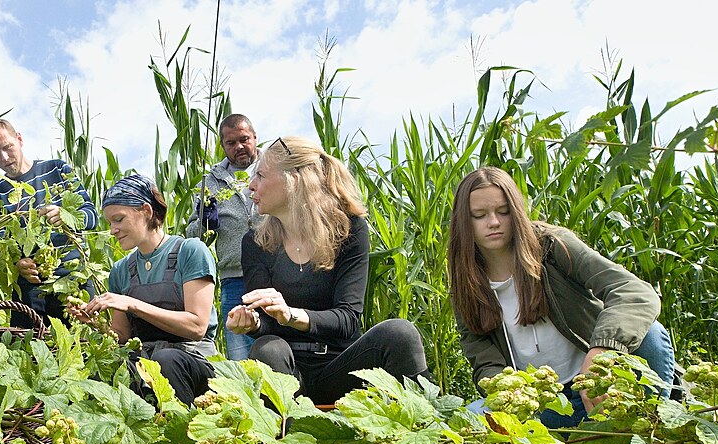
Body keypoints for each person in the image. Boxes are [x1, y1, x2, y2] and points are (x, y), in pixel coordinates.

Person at [448, 166, 675, 427]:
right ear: (465, 222)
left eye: (503, 211)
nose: (494, 222)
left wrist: (603, 351)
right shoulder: (466, 283)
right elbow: (485, 361)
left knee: (652, 336)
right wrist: (511, 392)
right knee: (472, 417)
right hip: (544, 405)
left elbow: (635, 292)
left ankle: (652, 426)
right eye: (480, 215)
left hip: (599, 387)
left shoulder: (552, 247)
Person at [227, 136, 429, 405]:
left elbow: (347, 319)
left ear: (293, 180)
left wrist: (291, 315)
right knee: (268, 348)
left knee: (399, 333)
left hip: (343, 367)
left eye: (261, 176)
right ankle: (280, 442)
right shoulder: (254, 243)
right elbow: (266, 324)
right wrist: (251, 323)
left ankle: (424, 426)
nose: (251, 185)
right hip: (286, 372)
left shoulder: (349, 230)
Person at [77, 174, 217, 405]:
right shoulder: (121, 270)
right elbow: (122, 338)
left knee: (165, 360)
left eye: (119, 219)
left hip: (194, 359)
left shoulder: (190, 251)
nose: (112, 230)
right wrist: (93, 322)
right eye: (109, 223)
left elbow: (196, 326)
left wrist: (133, 304)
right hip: (145, 362)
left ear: (146, 211)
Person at [0, 118, 98, 327]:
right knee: (29, 352)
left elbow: (91, 216)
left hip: (73, 283)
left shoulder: (58, 170)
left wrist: (66, 216)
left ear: (19, 139)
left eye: (7, 147)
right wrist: (17, 264)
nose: (4, 157)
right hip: (30, 292)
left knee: (82, 347)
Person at [185, 114, 263, 360]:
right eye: (231, 143)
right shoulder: (210, 181)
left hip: (275, 272)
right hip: (234, 277)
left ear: (254, 138)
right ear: (222, 146)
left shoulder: (272, 169)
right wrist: (205, 223)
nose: (239, 146)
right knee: (240, 355)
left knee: (277, 347)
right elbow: (193, 234)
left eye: (244, 139)